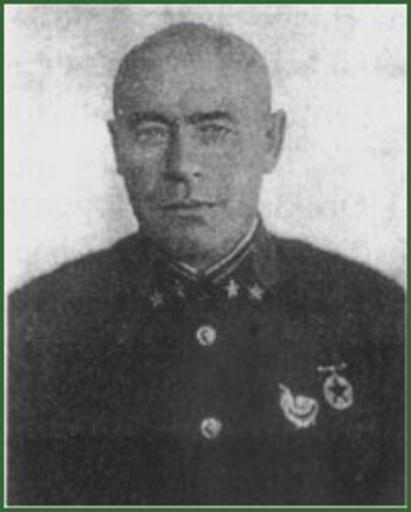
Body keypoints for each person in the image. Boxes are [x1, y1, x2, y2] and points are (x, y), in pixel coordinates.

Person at [8, 22, 404, 505]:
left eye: (214, 131)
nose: (181, 165)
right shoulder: (36, 325)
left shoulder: (376, 314)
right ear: (117, 147)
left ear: (271, 140)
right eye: (151, 132)